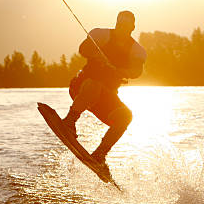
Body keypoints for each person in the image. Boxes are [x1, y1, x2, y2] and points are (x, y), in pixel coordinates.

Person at [62, 10, 146, 170]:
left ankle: (100, 155)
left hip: (105, 98)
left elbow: (136, 71)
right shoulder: (101, 35)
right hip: (81, 87)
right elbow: (83, 49)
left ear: (132, 27)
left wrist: (121, 71)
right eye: (120, 24)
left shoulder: (136, 50)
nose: (122, 27)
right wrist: (95, 53)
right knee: (94, 84)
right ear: (116, 23)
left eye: (126, 25)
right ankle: (69, 121)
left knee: (125, 116)